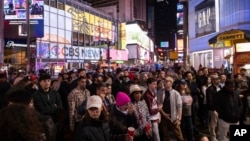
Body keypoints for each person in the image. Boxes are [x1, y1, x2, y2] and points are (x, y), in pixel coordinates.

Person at [157, 76, 184, 141]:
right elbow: (158, 104)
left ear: (171, 83)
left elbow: (179, 107)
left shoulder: (176, 93)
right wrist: (164, 114)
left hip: (174, 117)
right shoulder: (160, 92)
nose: (165, 83)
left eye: (167, 81)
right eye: (164, 81)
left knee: (179, 135)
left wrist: (179, 119)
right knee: (165, 135)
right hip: (163, 117)